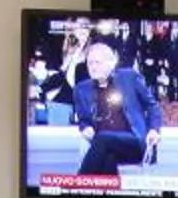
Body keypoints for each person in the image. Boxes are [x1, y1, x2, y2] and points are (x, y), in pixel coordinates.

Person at [69, 38, 162, 174]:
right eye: (90, 63)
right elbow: (84, 120)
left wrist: (154, 129)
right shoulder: (81, 89)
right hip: (103, 146)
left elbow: (152, 106)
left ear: (111, 63)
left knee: (103, 139)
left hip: (133, 142)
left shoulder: (129, 77)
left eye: (97, 63)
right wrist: (86, 128)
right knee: (108, 157)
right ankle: (109, 193)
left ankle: (78, 186)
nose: (93, 67)